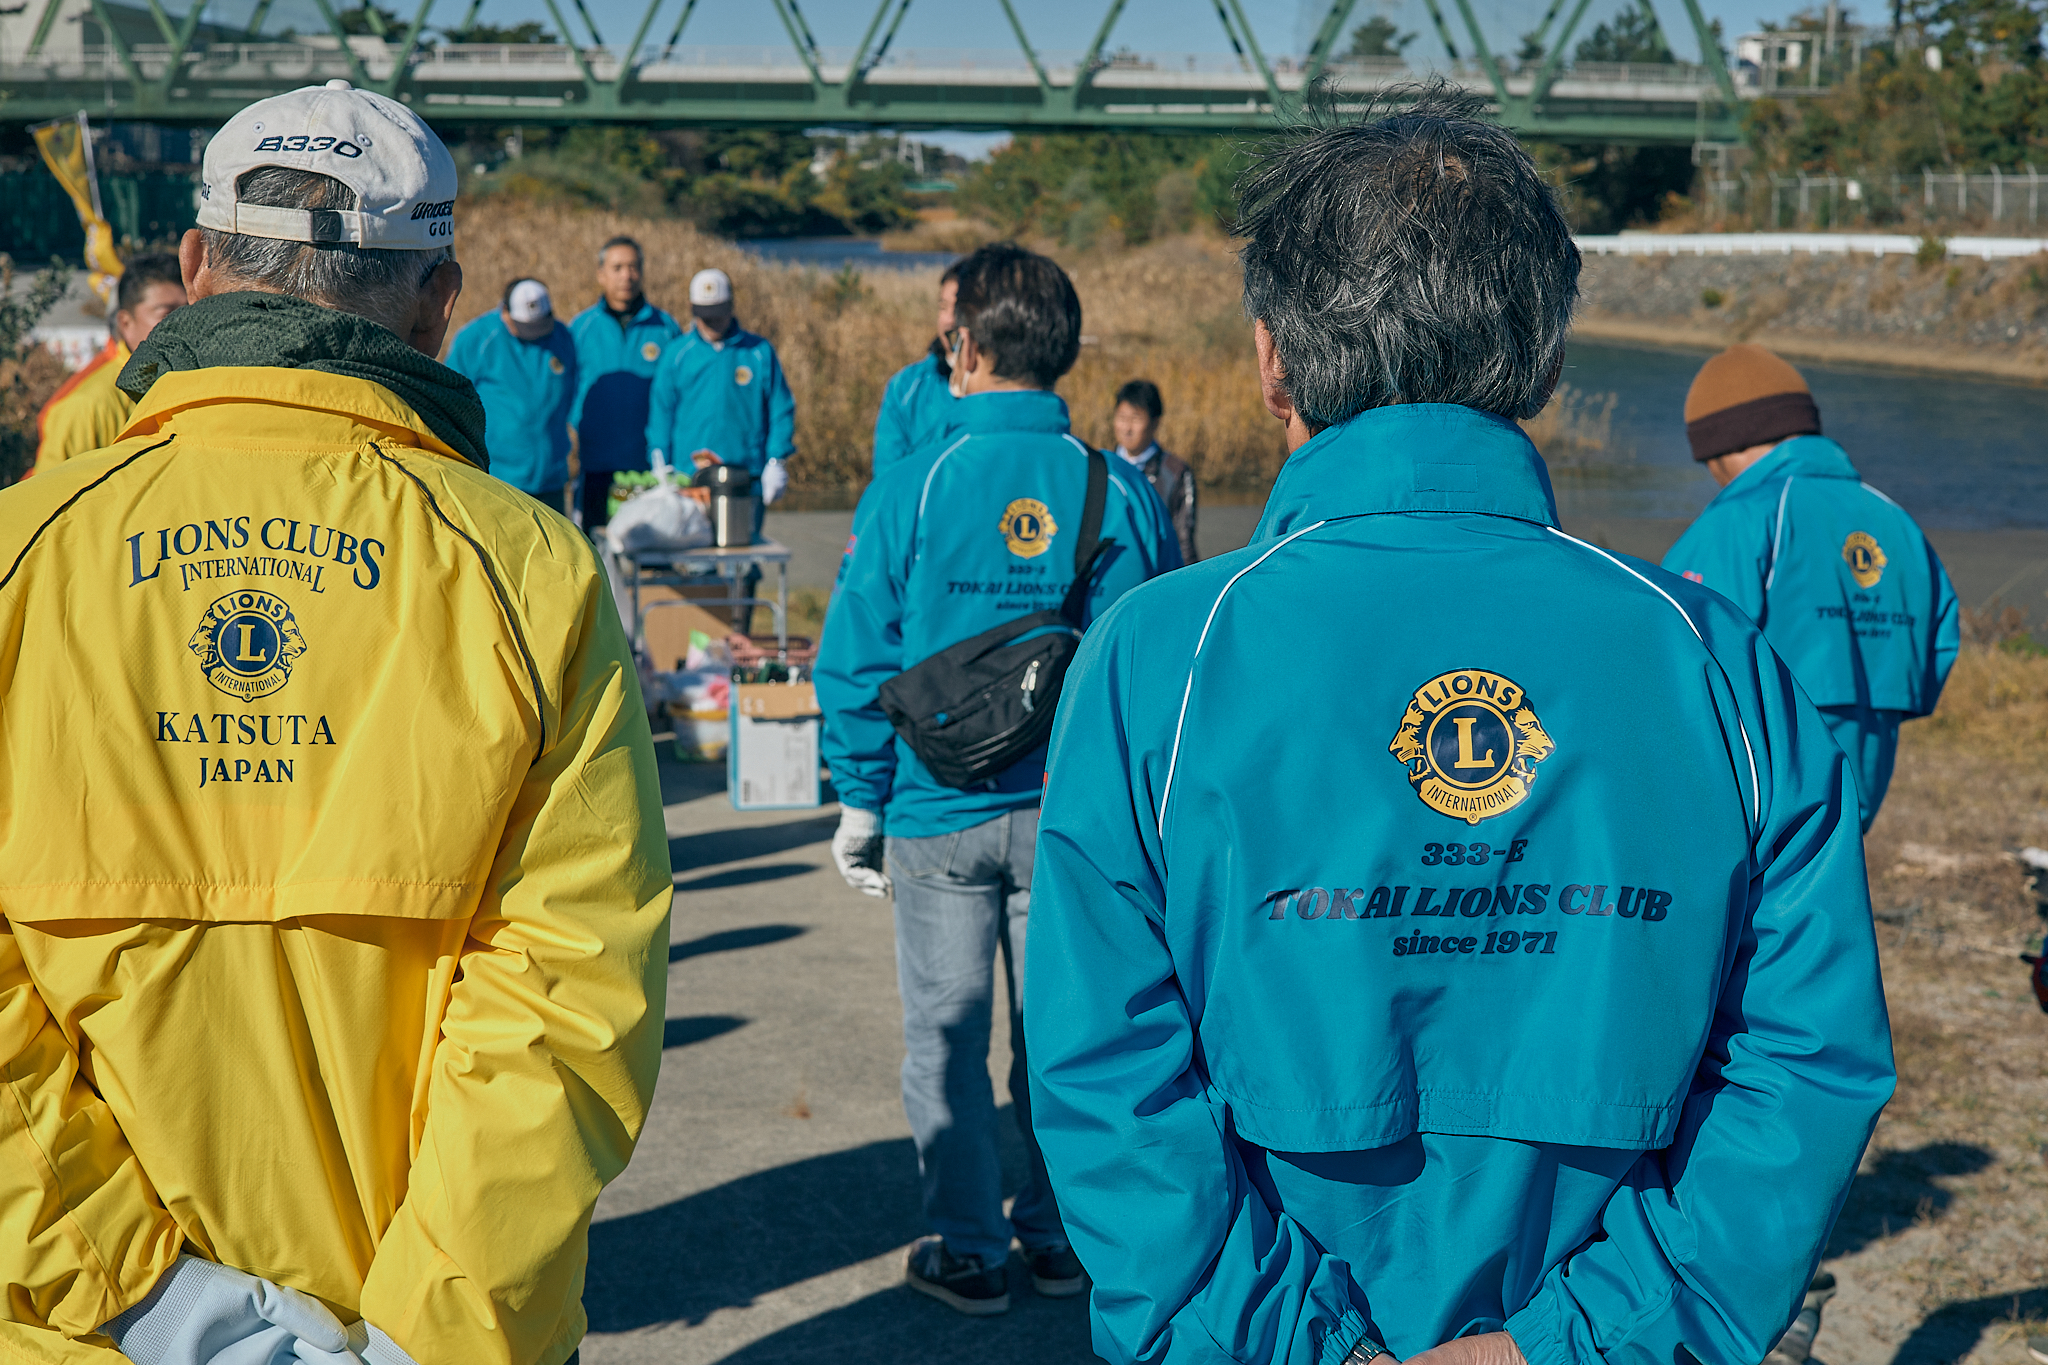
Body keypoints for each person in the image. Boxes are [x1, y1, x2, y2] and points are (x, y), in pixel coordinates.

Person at [1025, 88, 1893, 1365]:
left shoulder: (1160, 658)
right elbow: (1802, 1068)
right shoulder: (1716, 661)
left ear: (1270, 358)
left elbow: (1107, 1084)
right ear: (1545, 362)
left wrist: (1301, 1347)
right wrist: (1573, 1343)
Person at [0, 79, 671, 1365]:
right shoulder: (530, 572)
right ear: (439, 299)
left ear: (195, 266)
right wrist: (434, 1333)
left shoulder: (21, 554)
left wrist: (163, 1308)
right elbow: (573, 992)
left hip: (81, 1329)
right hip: (425, 1328)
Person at [817, 241, 1182, 1319]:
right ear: (1064, 353)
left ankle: (965, 1246)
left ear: (963, 348)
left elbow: (856, 656)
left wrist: (859, 796)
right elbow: (1144, 664)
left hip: (935, 815)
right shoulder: (1110, 486)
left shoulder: (914, 482)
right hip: (1068, 819)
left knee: (944, 1036)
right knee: (1062, 1037)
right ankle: (1059, 1234)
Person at [1662, 343, 1958, 832]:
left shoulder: (1739, 519)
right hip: (1865, 774)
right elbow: (1941, 640)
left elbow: (1679, 650)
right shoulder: (1895, 518)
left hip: (1756, 783)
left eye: (1707, 461)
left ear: (1728, 446)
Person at [33, 251, 186, 473]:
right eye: (166, 314)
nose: (181, 324)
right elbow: (49, 498)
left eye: (189, 311)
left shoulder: (196, 381)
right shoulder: (89, 406)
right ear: (125, 323)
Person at [568, 235, 680, 529]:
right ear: (601, 274)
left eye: (633, 267)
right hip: (596, 464)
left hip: (647, 465)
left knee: (649, 556)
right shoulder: (581, 329)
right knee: (596, 552)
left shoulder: (665, 328)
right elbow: (564, 388)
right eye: (617, 268)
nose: (626, 276)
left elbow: (677, 395)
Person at [445, 277, 580, 511]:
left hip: (551, 479)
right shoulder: (477, 340)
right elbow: (450, 402)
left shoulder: (562, 338)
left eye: (540, 325)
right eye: (527, 327)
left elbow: (573, 394)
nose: (535, 333)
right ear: (506, 313)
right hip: (497, 480)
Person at [871, 261, 963, 479]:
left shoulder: (1005, 391)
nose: (949, 321)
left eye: (959, 310)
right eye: (943, 308)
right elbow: (886, 478)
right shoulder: (906, 387)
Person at [1111, 378, 1197, 564]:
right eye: (1122, 418)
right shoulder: (1103, 467)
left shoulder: (1175, 472)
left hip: (1155, 570)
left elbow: (1183, 539)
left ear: (1155, 422)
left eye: (1135, 419)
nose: (1127, 428)